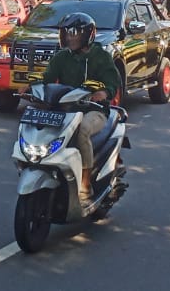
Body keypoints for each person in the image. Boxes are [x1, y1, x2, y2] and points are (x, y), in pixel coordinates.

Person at [41, 12, 121, 204]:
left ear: (87, 34)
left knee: (82, 130)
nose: (70, 36)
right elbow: (47, 79)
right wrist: (31, 88)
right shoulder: (61, 57)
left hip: (94, 110)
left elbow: (112, 82)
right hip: (66, 110)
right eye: (67, 33)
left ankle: (85, 184)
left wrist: (104, 93)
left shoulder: (100, 56)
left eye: (75, 32)